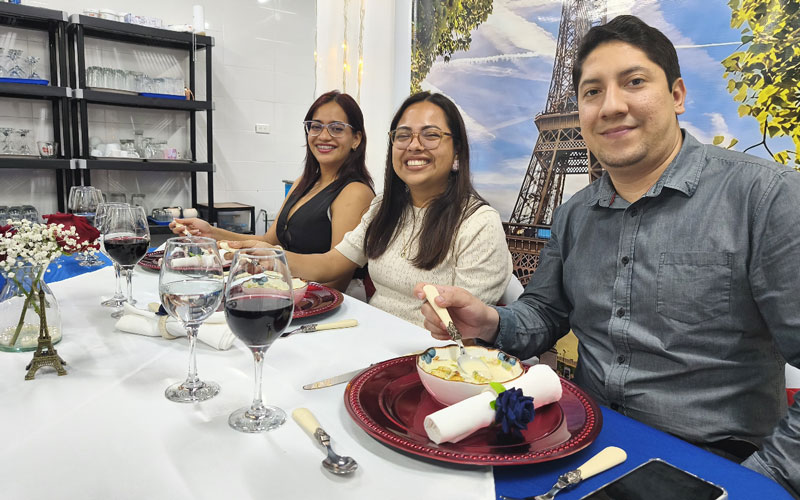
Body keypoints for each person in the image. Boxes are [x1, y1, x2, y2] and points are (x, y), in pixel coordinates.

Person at [416, 15, 800, 497]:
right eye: (592, 91)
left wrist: (759, 483)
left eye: (634, 82)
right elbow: (544, 311)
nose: (611, 105)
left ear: (677, 94)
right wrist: (489, 323)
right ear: (576, 109)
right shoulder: (574, 213)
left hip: (715, 461)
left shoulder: (766, 198)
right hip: (582, 439)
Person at [226, 91, 513, 327]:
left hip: (427, 360)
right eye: (403, 136)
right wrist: (268, 256)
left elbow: (465, 329)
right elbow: (332, 263)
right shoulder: (384, 208)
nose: (414, 145)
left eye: (431, 135)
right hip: (366, 338)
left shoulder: (478, 224)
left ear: (458, 153)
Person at [170, 90, 375, 293]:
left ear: (356, 139)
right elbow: (269, 242)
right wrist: (211, 233)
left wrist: (273, 279)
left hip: (327, 302)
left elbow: (336, 280)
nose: (323, 136)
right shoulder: (303, 183)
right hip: (287, 290)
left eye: (337, 128)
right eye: (316, 126)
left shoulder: (355, 193)